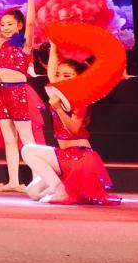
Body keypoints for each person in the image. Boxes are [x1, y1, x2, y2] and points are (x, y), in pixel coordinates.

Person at [21, 41, 119, 205]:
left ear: (78, 78)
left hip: (79, 158)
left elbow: (73, 129)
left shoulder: (80, 100)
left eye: (67, 76)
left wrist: (59, 109)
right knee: (33, 192)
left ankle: (61, 190)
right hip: (65, 158)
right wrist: (53, 45)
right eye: (59, 75)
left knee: (28, 150)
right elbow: (52, 71)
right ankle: (67, 187)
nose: (60, 78)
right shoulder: (59, 93)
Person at [0, 0, 42, 193]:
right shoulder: (3, 44)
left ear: (19, 26)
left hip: (18, 93)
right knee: (9, 139)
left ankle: (38, 181)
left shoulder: (24, 44)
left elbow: (31, 23)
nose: (5, 28)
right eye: (3, 24)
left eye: (10, 24)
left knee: (27, 139)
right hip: (1, 93)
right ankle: (14, 181)